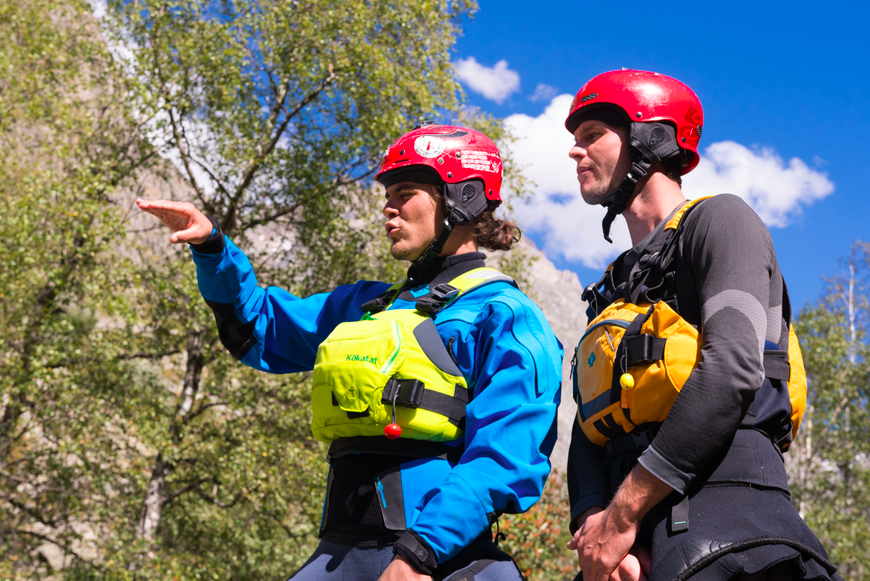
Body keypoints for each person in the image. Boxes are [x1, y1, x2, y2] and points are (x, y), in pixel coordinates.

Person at [137, 124, 562, 581]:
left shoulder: (504, 314)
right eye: (387, 194)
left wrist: (419, 554)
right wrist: (211, 247)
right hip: (338, 555)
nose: (387, 206)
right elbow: (260, 326)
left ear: (463, 197)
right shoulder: (366, 307)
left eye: (404, 192)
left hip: (440, 561)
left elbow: (506, 454)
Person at [562, 70, 842, 581]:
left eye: (591, 135)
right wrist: (595, 527)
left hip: (732, 520)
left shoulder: (721, 221)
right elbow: (588, 423)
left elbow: (733, 367)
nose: (575, 152)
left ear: (650, 137)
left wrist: (622, 514)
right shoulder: (611, 284)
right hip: (625, 543)